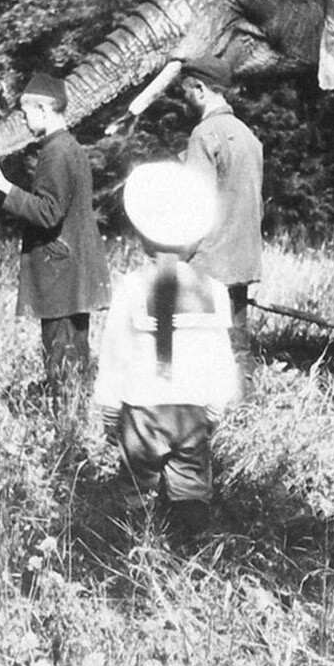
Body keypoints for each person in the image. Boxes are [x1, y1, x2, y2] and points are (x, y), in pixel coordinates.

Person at [94, 161, 240, 549]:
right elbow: (220, 356)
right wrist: (216, 404)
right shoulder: (213, 289)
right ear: (195, 239)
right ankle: (192, 549)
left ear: (143, 238)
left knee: (135, 487)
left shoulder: (129, 287)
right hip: (191, 409)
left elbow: (114, 352)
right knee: (192, 485)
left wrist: (110, 408)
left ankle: (133, 551)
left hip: (141, 407)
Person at [0, 72, 111, 400]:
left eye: (26, 114)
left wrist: (3, 186)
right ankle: (72, 426)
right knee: (72, 356)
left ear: (44, 108)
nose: (25, 122)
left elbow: (48, 212)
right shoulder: (69, 147)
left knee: (62, 360)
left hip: (60, 272)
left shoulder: (55, 152)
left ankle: (66, 438)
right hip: (71, 270)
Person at [178, 56, 263, 396]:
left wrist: (178, 257)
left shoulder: (204, 134)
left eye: (186, 91)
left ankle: (205, 411)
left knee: (201, 343)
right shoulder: (247, 135)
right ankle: (245, 404)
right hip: (242, 257)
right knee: (237, 339)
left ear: (200, 89)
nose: (184, 99)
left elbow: (196, 208)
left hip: (209, 260)